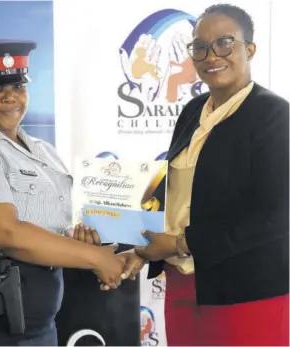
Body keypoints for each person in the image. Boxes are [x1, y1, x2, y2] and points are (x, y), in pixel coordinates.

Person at [105, 3, 289, 346]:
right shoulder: (191, 112)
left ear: (250, 48)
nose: (211, 55)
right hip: (183, 282)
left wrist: (179, 243)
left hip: (246, 290)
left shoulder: (274, 116)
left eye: (225, 42)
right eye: (200, 47)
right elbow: (177, 198)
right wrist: (139, 248)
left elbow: (276, 216)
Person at [0, 39, 137, 346]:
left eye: (18, 86)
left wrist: (86, 239)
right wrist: (95, 258)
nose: (10, 97)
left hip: (36, 324)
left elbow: (51, 226)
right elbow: (5, 233)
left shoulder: (44, 153)